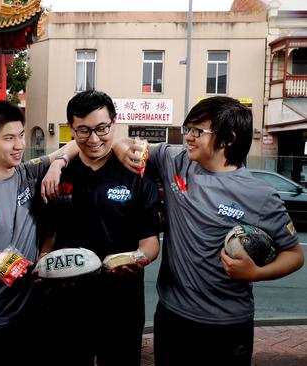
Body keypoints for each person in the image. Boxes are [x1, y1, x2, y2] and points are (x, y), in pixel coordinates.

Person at [115, 96, 304, 366]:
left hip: (228, 323)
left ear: (228, 138)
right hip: (172, 316)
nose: (188, 137)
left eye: (198, 131)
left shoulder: (261, 195)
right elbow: (126, 143)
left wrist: (256, 273)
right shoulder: (175, 161)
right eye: (188, 128)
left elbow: (295, 255)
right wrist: (125, 151)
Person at [40, 89, 162, 365]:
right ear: (71, 129)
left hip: (121, 303)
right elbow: (48, 235)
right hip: (65, 302)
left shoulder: (136, 176)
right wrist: (43, 261)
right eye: (83, 130)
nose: (94, 139)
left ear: (114, 125)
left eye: (101, 128)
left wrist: (137, 258)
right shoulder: (57, 176)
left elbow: (150, 243)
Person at [0, 101, 78, 365]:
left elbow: (75, 144)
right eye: (9, 138)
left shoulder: (28, 173)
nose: (19, 145)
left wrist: (57, 164)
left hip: (31, 311)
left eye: (21, 135)